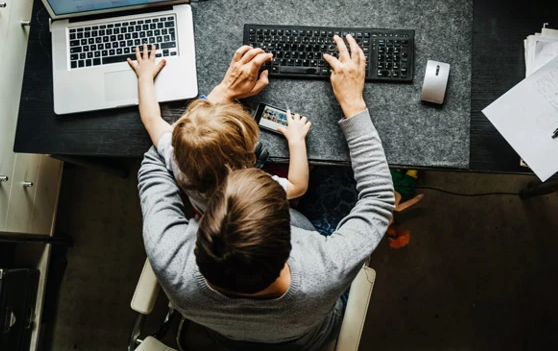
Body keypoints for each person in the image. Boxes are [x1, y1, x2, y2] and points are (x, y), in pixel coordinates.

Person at [137, 36, 395, 350]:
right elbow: (379, 199)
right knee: (337, 181)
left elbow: (156, 158)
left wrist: (221, 95)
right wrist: (353, 102)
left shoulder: (168, 257)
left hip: (222, 334)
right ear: (289, 240)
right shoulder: (325, 269)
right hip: (308, 338)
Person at [128, 44, 312, 213]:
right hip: (245, 209)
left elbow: (151, 119)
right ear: (247, 155)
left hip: (206, 210)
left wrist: (144, 77)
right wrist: (297, 141)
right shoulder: (249, 186)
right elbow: (298, 186)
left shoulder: (175, 154)